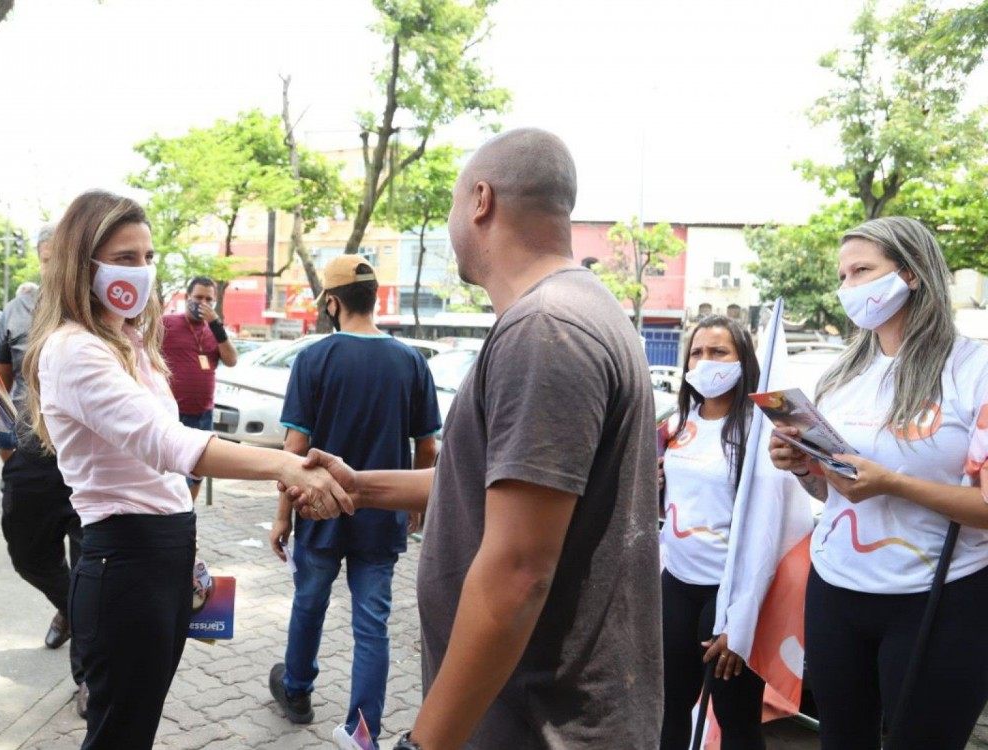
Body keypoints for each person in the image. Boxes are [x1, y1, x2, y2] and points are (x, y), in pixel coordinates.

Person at [289, 129, 662, 749]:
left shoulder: (546, 329)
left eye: (453, 204)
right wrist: (361, 486)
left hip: (544, 725)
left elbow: (519, 570)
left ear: (481, 201)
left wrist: (424, 743)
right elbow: (489, 482)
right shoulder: (575, 309)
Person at [20, 189, 351, 750]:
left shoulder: (128, 342)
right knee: (119, 736)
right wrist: (288, 464)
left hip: (162, 554)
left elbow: (163, 472)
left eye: (148, 257)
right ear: (82, 263)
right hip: (126, 562)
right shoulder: (74, 349)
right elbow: (167, 444)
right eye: (125, 258)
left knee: (136, 729)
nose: (141, 270)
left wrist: (187, 555)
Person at [769, 216, 988, 750]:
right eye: (842, 276)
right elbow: (833, 493)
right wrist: (803, 466)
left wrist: (894, 483)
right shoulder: (842, 376)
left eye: (862, 271)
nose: (848, 288)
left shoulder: (973, 368)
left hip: (939, 597)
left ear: (911, 273)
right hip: (836, 589)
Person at [267, 255, 441, 748]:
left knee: (309, 603)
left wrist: (282, 517)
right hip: (381, 517)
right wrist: (414, 505)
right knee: (372, 625)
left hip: (318, 513)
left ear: (332, 302)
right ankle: (363, 732)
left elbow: (294, 448)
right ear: (375, 298)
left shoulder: (313, 359)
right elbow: (428, 448)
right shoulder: (411, 361)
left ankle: (296, 691)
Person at [0, 224, 90, 716]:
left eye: (65, 257)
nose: (57, 268)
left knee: (91, 566)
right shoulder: (17, 310)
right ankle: (71, 608)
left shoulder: (98, 309)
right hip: (33, 456)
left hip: (92, 461)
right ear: (40, 259)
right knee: (28, 555)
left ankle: (90, 676)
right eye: (49, 259)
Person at [659, 315, 766, 750]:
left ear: (743, 361)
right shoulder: (678, 423)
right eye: (697, 352)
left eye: (719, 352)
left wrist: (741, 616)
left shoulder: (759, 430)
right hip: (676, 583)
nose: (705, 362)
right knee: (668, 708)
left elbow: (768, 529)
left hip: (728, 593)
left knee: (736, 719)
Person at [161, 276, 238, 500]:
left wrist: (216, 325)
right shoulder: (167, 324)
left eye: (208, 299)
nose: (203, 303)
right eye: (198, 298)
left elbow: (231, 360)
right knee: (171, 471)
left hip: (203, 413)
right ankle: (172, 511)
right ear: (187, 297)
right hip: (173, 412)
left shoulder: (215, 331)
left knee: (197, 471)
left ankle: (189, 509)